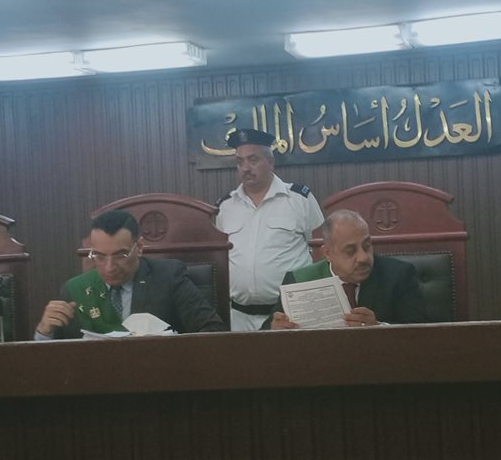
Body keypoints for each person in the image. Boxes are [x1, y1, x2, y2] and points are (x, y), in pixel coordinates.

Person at [36, 210, 227, 338]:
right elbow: (55, 356)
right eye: (99, 256)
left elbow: (213, 330)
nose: (109, 267)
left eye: (120, 255)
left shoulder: (168, 277)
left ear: (139, 248)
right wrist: (44, 332)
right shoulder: (74, 290)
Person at [214, 128, 326, 331]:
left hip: (291, 315)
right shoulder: (225, 206)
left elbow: (322, 252)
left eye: (253, 160)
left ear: (271, 162)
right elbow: (219, 259)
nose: (245, 168)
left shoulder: (299, 199)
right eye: (240, 162)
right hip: (239, 318)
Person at [269, 210, 430, 329]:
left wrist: (379, 327)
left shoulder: (399, 275)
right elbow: (266, 332)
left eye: (367, 246)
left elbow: (420, 333)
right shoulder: (297, 281)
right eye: (351, 251)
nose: (363, 258)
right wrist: (276, 330)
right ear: (328, 253)